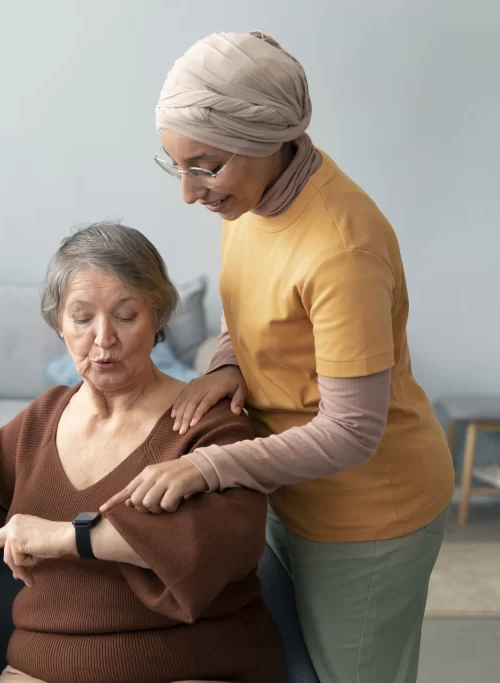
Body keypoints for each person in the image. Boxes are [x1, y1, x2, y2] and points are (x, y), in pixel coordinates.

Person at [101, 32, 454, 683]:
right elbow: (253, 319)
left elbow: (353, 429)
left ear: (267, 137)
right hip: (294, 492)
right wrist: (225, 366)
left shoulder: (341, 246)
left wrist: (212, 466)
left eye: (205, 166)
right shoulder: (250, 203)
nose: (188, 192)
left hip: (369, 513)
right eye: (175, 164)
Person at [0, 222, 287, 683]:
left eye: (126, 315)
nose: (103, 338)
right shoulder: (41, 420)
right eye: (82, 317)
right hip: (38, 670)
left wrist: (63, 538)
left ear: (158, 318)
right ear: (59, 325)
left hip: (189, 666)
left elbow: (222, 540)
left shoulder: (207, 419)